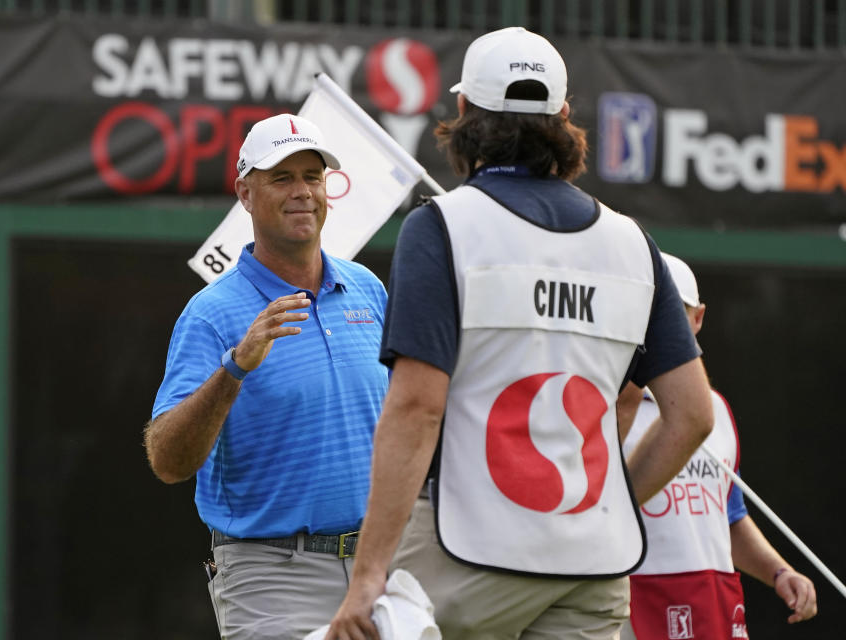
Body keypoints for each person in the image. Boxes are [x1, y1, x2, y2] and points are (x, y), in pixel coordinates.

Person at [325, 27, 715, 640]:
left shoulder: (440, 228)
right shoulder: (633, 243)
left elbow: (417, 409)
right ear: (563, 116)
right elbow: (692, 415)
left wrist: (369, 575)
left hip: (466, 552)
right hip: (592, 560)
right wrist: (612, 506)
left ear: (463, 112)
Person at [144, 113, 390, 639]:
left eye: (312, 177)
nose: (302, 191)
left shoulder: (368, 289)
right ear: (245, 194)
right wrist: (234, 367)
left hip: (381, 569)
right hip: (273, 576)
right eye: (281, 178)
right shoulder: (211, 314)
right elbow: (167, 460)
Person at [619, 253, 818, 640]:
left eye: (675, 315)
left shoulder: (716, 410)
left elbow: (727, 516)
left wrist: (779, 572)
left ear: (697, 320)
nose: (661, 328)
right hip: (634, 604)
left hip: (713, 602)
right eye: (649, 313)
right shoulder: (607, 408)